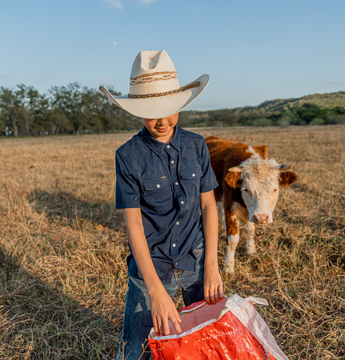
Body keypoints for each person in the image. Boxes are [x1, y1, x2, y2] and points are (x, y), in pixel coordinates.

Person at [100, 50, 223, 360]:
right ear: (136, 110)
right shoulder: (128, 156)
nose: (162, 121)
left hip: (196, 259)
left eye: (169, 109)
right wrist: (155, 291)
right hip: (151, 266)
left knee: (208, 340)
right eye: (151, 111)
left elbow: (209, 207)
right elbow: (134, 224)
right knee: (134, 351)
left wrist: (211, 265)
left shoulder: (197, 145)